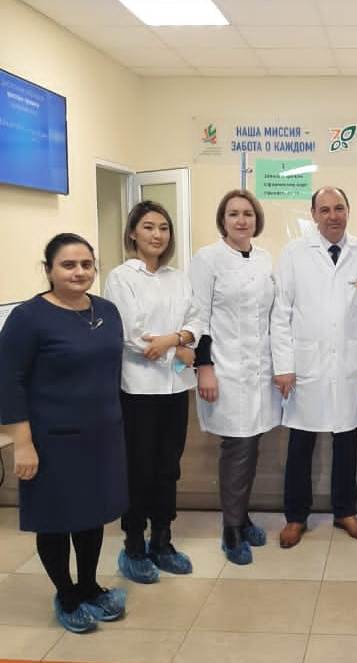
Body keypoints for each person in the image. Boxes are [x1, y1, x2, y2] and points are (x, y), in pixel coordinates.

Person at [0, 233, 127, 633]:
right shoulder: (28, 318)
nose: (79, 272)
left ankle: (89, 586)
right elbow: (8, 382)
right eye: (68, 265)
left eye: (86, 264)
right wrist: (23, 444)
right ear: (49, 270)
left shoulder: (107, 311)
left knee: (91, 515)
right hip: (51, 439)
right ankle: (67, 594)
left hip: (101, 436)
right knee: (55, 518)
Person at [271, 186, 357, 548]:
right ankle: (295, 517)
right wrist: (284, 366)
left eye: (339, 208)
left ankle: (345, 512)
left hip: (349, 366)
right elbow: (281, 314)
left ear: (348, 211)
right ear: (313, 215)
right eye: (325, 210)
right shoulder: (293, 253)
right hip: (305, 365)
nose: (333, 216)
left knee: (346, 442)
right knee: (300, 445)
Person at [104, 201, 201, 583]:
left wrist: (175, 340)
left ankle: (163, 540)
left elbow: (196, 319)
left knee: (168, 466)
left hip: (175, 386)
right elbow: (131, 335)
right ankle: (133, 545)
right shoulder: (121, 278)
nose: (157, 234)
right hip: (139, 389)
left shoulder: (178, 277)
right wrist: (179, 348)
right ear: (132, 232)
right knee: (139, 468)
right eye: (148, 227)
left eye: (163, 227)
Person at [189, 189, 281, 565]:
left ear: (257, 219)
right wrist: (204, 366)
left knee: (252, 444)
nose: (242, 220)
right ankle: (231, 529)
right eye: (233, 214)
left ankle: (241, 516)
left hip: (259, 369)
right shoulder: (207, 258)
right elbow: (198, 315)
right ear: (222, 220)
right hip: (224, 367)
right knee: (237, 447)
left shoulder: (264, 258)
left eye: (248, 214)